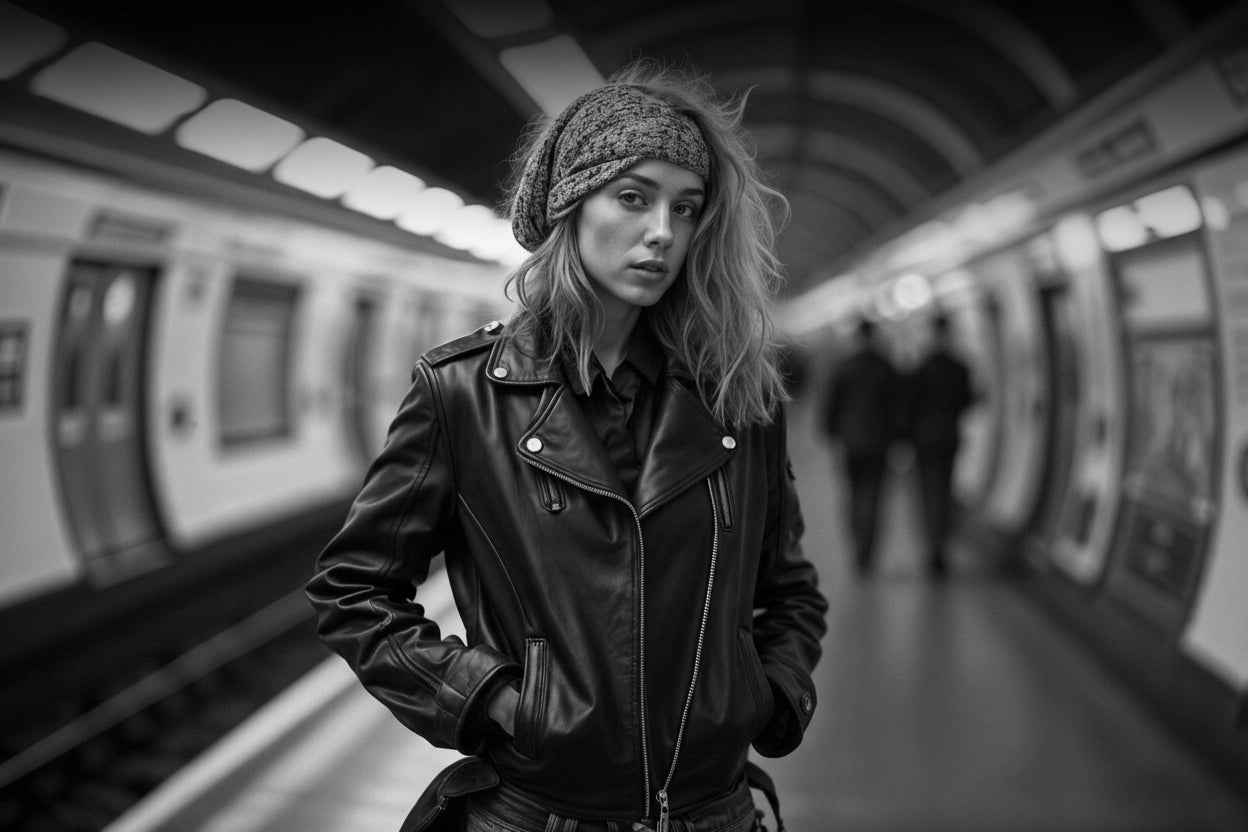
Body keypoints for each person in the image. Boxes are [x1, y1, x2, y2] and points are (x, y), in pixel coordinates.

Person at [306, 60, 828, 832]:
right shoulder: (466, 393)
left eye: (686, 208)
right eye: (633, 197)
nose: (663, 232)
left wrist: (764, 696)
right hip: (539, 814)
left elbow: (789, 592)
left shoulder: (737, 397)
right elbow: (352, 587)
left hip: (713, 812)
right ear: (569, 206)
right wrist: (488, 699)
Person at [819, 317, 900, 575]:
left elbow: (831, 404)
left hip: (851, 442)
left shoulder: (845, 367)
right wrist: (899, 436)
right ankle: (867, 550)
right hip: (879, 443)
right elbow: (897, 407)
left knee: (853, 495)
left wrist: (830, 432)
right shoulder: (886, 367)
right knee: (874, 496)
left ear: (857, 337)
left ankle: (857, 547)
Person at [904, 313, 975, 577]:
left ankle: (932, 544)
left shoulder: (920, 369)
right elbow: (966, 401)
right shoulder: (959, 368)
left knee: (927, 491)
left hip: (923, 439)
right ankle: (941, 544)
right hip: (948, 437)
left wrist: (906, 434)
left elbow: (909, 406)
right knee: (944, 490)